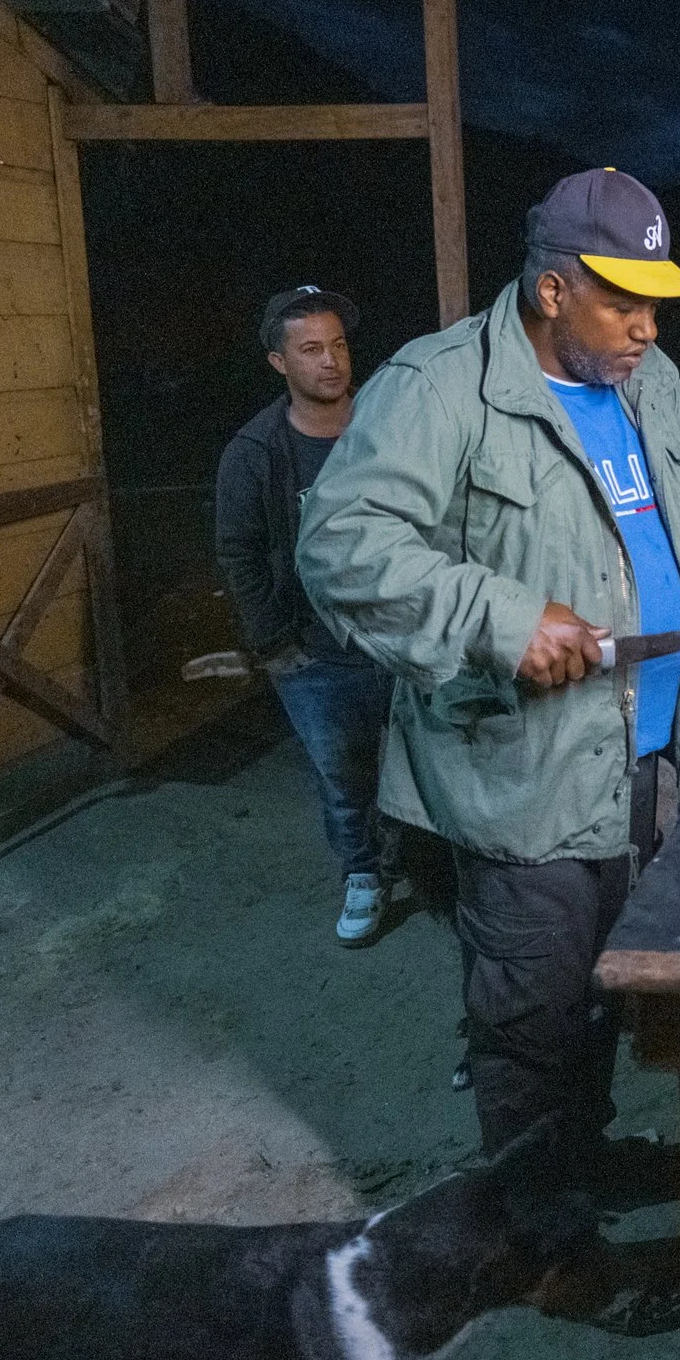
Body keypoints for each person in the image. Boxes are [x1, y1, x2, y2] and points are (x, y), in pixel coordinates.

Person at [293, 169, 680, 1243]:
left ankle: (583, 1162)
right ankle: (544, 1246)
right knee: (531, 1021)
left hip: (650, 763)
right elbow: (341, 544)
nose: (648, 325)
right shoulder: (442, 387)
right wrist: (502, 617)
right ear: (553, 289)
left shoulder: (649, 382)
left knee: (609, 995)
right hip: (521, 778)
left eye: (656, 302)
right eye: (624, 300)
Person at [214, 285, 395, 947]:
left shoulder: (386, 422)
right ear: (278, 362)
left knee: (419, 763)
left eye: (339, 344)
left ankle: (417, 860)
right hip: (317, 653)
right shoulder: (256, 453)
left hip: (402, 638)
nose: (331, 361)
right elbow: (237, 551)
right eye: (311, 348)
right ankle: (363, 873)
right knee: (344, 775)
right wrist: (273, 643)